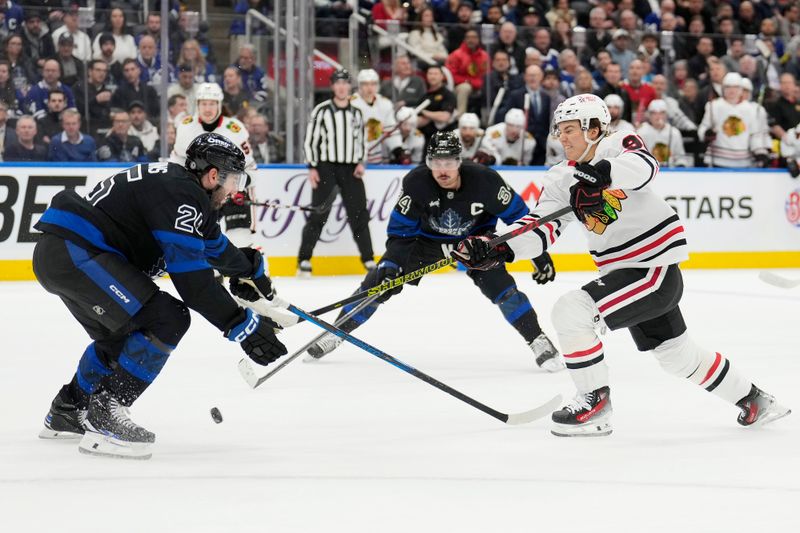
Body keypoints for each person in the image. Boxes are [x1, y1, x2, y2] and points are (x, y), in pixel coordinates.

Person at [451, 93, 791, 437]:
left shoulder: (616, 145)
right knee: (676, 354)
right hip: (623, 274)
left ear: (594, 127)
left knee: (572, 310)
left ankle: (594, 402)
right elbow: (540, 227)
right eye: (559, 131)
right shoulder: (558, 177)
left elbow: (646, 166)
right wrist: (496, 248)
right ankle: (755, 400)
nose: (562, 137)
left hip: (652, 268)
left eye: (570, 129)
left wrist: (602, 174)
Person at [33, 132, 288, 459]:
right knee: (167, 318)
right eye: (234, 182)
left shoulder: (185, 191)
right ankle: (106, 413)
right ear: (213, 176)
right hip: (78, 252)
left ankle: (68, 410)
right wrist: (242, 326)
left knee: (120, 338)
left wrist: (249, 267)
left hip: (61, 252)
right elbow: (194, 286)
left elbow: (215, 249)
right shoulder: (183, 196)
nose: (234, 193)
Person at [305, 131, 563, 373]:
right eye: (436, 162)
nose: (442, 169)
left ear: (460, 161)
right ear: (428, 162)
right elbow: (400, 233)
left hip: (475, 244)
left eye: (449, 162)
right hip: (426, 244)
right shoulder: (417, 183)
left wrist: (538, 254)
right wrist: (392, 266)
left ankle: (537, 339)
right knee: (377, 283)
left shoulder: (486, 181)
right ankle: (335, 332)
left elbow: (520, 216)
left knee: (503, 289)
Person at [299, 69, 373, 276]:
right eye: (337, 83)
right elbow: (310, 140)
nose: (341, 87)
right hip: (326, 168)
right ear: (332, 86)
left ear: (349, 87)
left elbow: (362, 141)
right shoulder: (321, 111)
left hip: (351, 169)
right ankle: (304, 259)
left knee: (359, 214)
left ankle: (368, 259)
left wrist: (361, 162)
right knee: (319, 213)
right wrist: (312, 167)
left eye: (345, 83)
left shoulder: (357, 113)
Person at [171, 82, 256, 248]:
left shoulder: (235, 129)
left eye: (212, 103)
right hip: (202, 192)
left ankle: (249, 270)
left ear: (219, 105)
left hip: (231, 191)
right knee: (201, 238)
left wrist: (238, 187)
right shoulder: (186, 126)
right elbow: (178, 162)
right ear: (197, 105)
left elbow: (250, 168)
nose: (207, 108)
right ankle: (212, 273)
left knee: (241, 240)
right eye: (203, 103)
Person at [698, 73, 771, 168]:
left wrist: (760, 152)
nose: (732, 91)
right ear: (723, 89)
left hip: (743, 161)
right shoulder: (714, 106)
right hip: (718, 159)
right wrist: (706, 134)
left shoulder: (750, 109)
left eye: (735, 87)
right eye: (728, 87)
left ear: (741, 89)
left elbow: (755, 134)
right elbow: (703, 127)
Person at [351, 68, 402, 165]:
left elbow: (390, 128)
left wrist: (397, 149)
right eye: (365, 84)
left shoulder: (385, 103)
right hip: (354, 157)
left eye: (373, 84)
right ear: (359, 86)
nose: (369, 88)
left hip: (377, 156)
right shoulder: (351, 103)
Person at [445, 28, 489, 117]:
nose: (471, 40)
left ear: (478, 40)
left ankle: (487, 119)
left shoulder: (484, 55)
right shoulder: (456, 55)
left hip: (479, 86)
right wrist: (470, 82)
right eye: (468, 37)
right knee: (465, 88)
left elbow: (487, 74)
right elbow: (451, 76)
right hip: (459, 86)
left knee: (489, 87)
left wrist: (478, 83)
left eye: (474, 37)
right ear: (464, 40)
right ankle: (461, 119)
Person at [636, 99, 691, 167]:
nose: (658, 116)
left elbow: (680, 157)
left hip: (670, 172)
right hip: (648, 172)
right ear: (649, 115)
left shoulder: (674, 132)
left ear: (666, 115)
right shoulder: (641, 132)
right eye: (654, 113)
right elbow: (637, 157)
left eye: (661, 113)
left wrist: (680, 165)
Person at [417, 65, 456, 147]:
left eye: (435, 74)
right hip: (425, 137)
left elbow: (444, 117)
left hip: (443, 137)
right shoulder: (424, 96)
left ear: (442, 76)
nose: (432, 76)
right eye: (430, 73)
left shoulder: (448, 95)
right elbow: (419, 121)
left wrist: (423, 112)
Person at [74, 59, 114, 136]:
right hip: (85, 128)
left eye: (104, 71)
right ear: (90, 71)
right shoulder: (79, 87)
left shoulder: (106, 90)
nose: (102, 73)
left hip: (104, 127)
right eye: (98, 70)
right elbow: (78, 109)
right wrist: (95, 100)